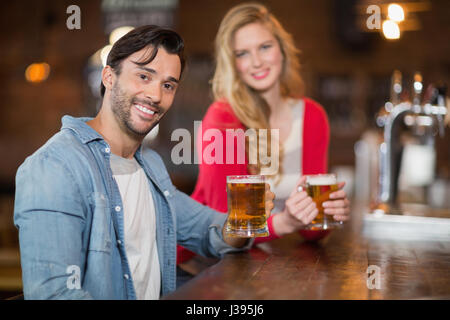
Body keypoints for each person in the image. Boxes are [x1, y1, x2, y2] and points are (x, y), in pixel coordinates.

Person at [13, 25, 275, 300]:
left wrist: (244, 219)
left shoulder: (149, 164)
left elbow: (206, 232)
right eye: (143, 76)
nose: (155, 96)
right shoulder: (54, 167)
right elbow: (54, 295)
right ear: (108, 76)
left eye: (168, 85)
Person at [177, 3, 350, 280]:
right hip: (200, 263)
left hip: (271, 266)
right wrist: (285, 222)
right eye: (242, 54)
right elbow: (226, 228)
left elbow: (312, 233)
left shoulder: (312, 116)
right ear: (233, 64)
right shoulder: (222, 118)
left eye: (265, 47)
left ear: (282, 49)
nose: (256, 62)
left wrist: (326, 212)